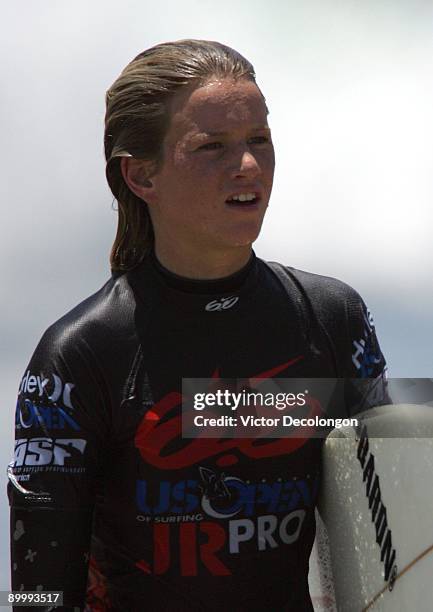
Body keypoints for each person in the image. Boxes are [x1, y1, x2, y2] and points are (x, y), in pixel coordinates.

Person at [8, 39, 388, 611]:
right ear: (141, 176)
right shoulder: (82, 354)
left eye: (259, 140)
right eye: (212, 147)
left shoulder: (333, 320)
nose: (250, 167)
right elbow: (38, 594)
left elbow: (389, 536)